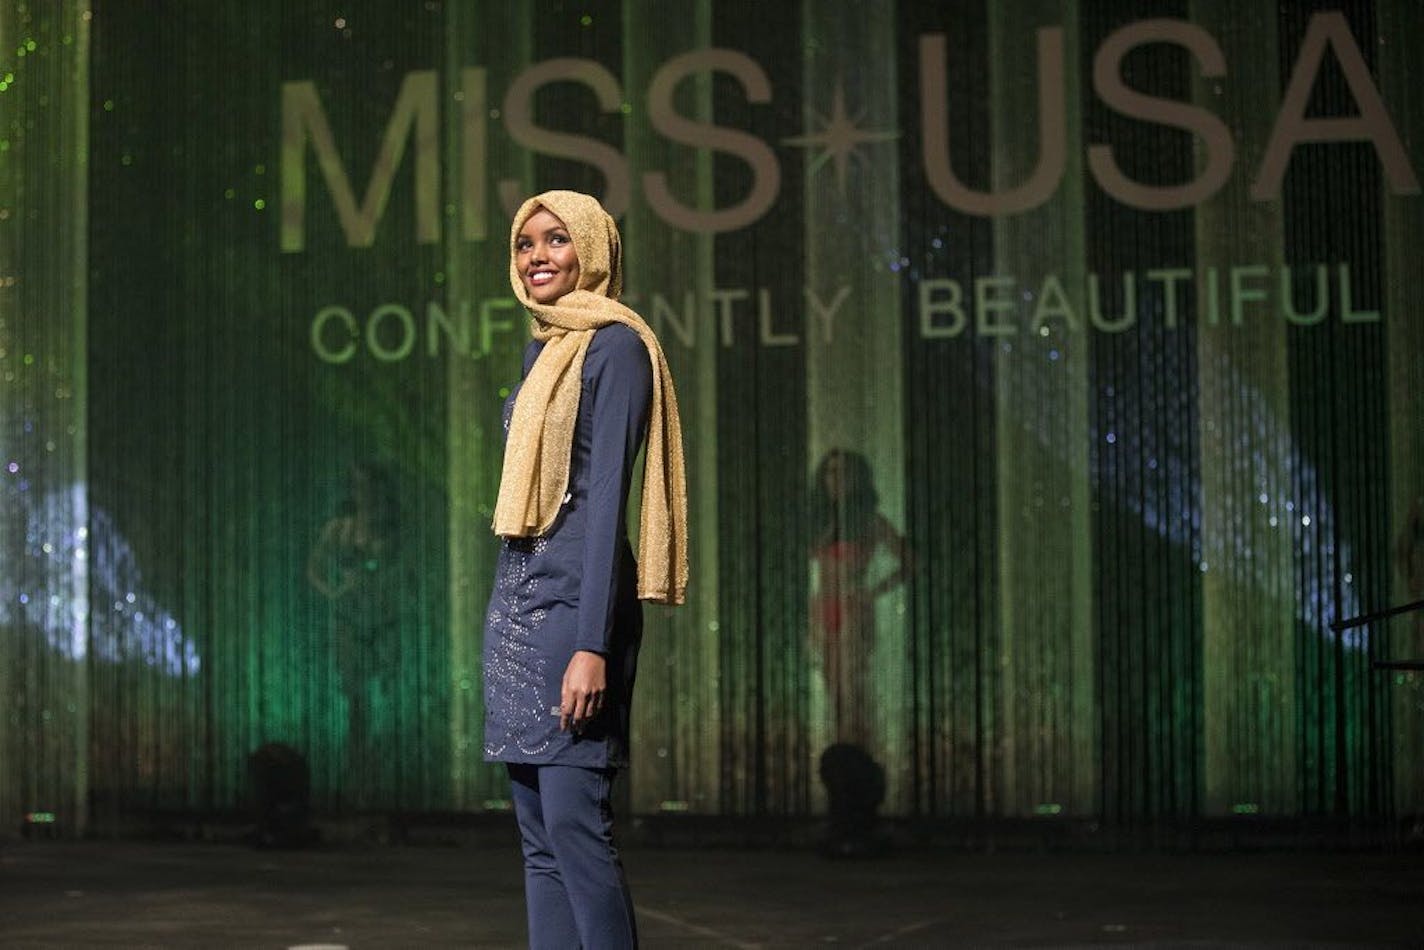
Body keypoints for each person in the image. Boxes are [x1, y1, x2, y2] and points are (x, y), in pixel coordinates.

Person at [482, 190, 688, 950]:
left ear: (593, 251)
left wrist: (592, 643)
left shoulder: (616, 347)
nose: (537, 256)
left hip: (576, 613)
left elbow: (606, 507)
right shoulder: (545, 346)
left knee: (576, 831)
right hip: (518, 607)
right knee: (539, 844)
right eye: (525, 242)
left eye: (557, 240)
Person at [808, 449, 908, 748]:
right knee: (834, 690)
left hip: (853, 609)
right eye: (830, 472)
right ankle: (842, 753)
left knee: (854, 688)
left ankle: (861, 751)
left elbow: (910, 562)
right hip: (822, 608)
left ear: (857, 479)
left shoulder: (869, 522)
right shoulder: (822, 522)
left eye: (843, 473)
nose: (835, 480)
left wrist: (872, 593)